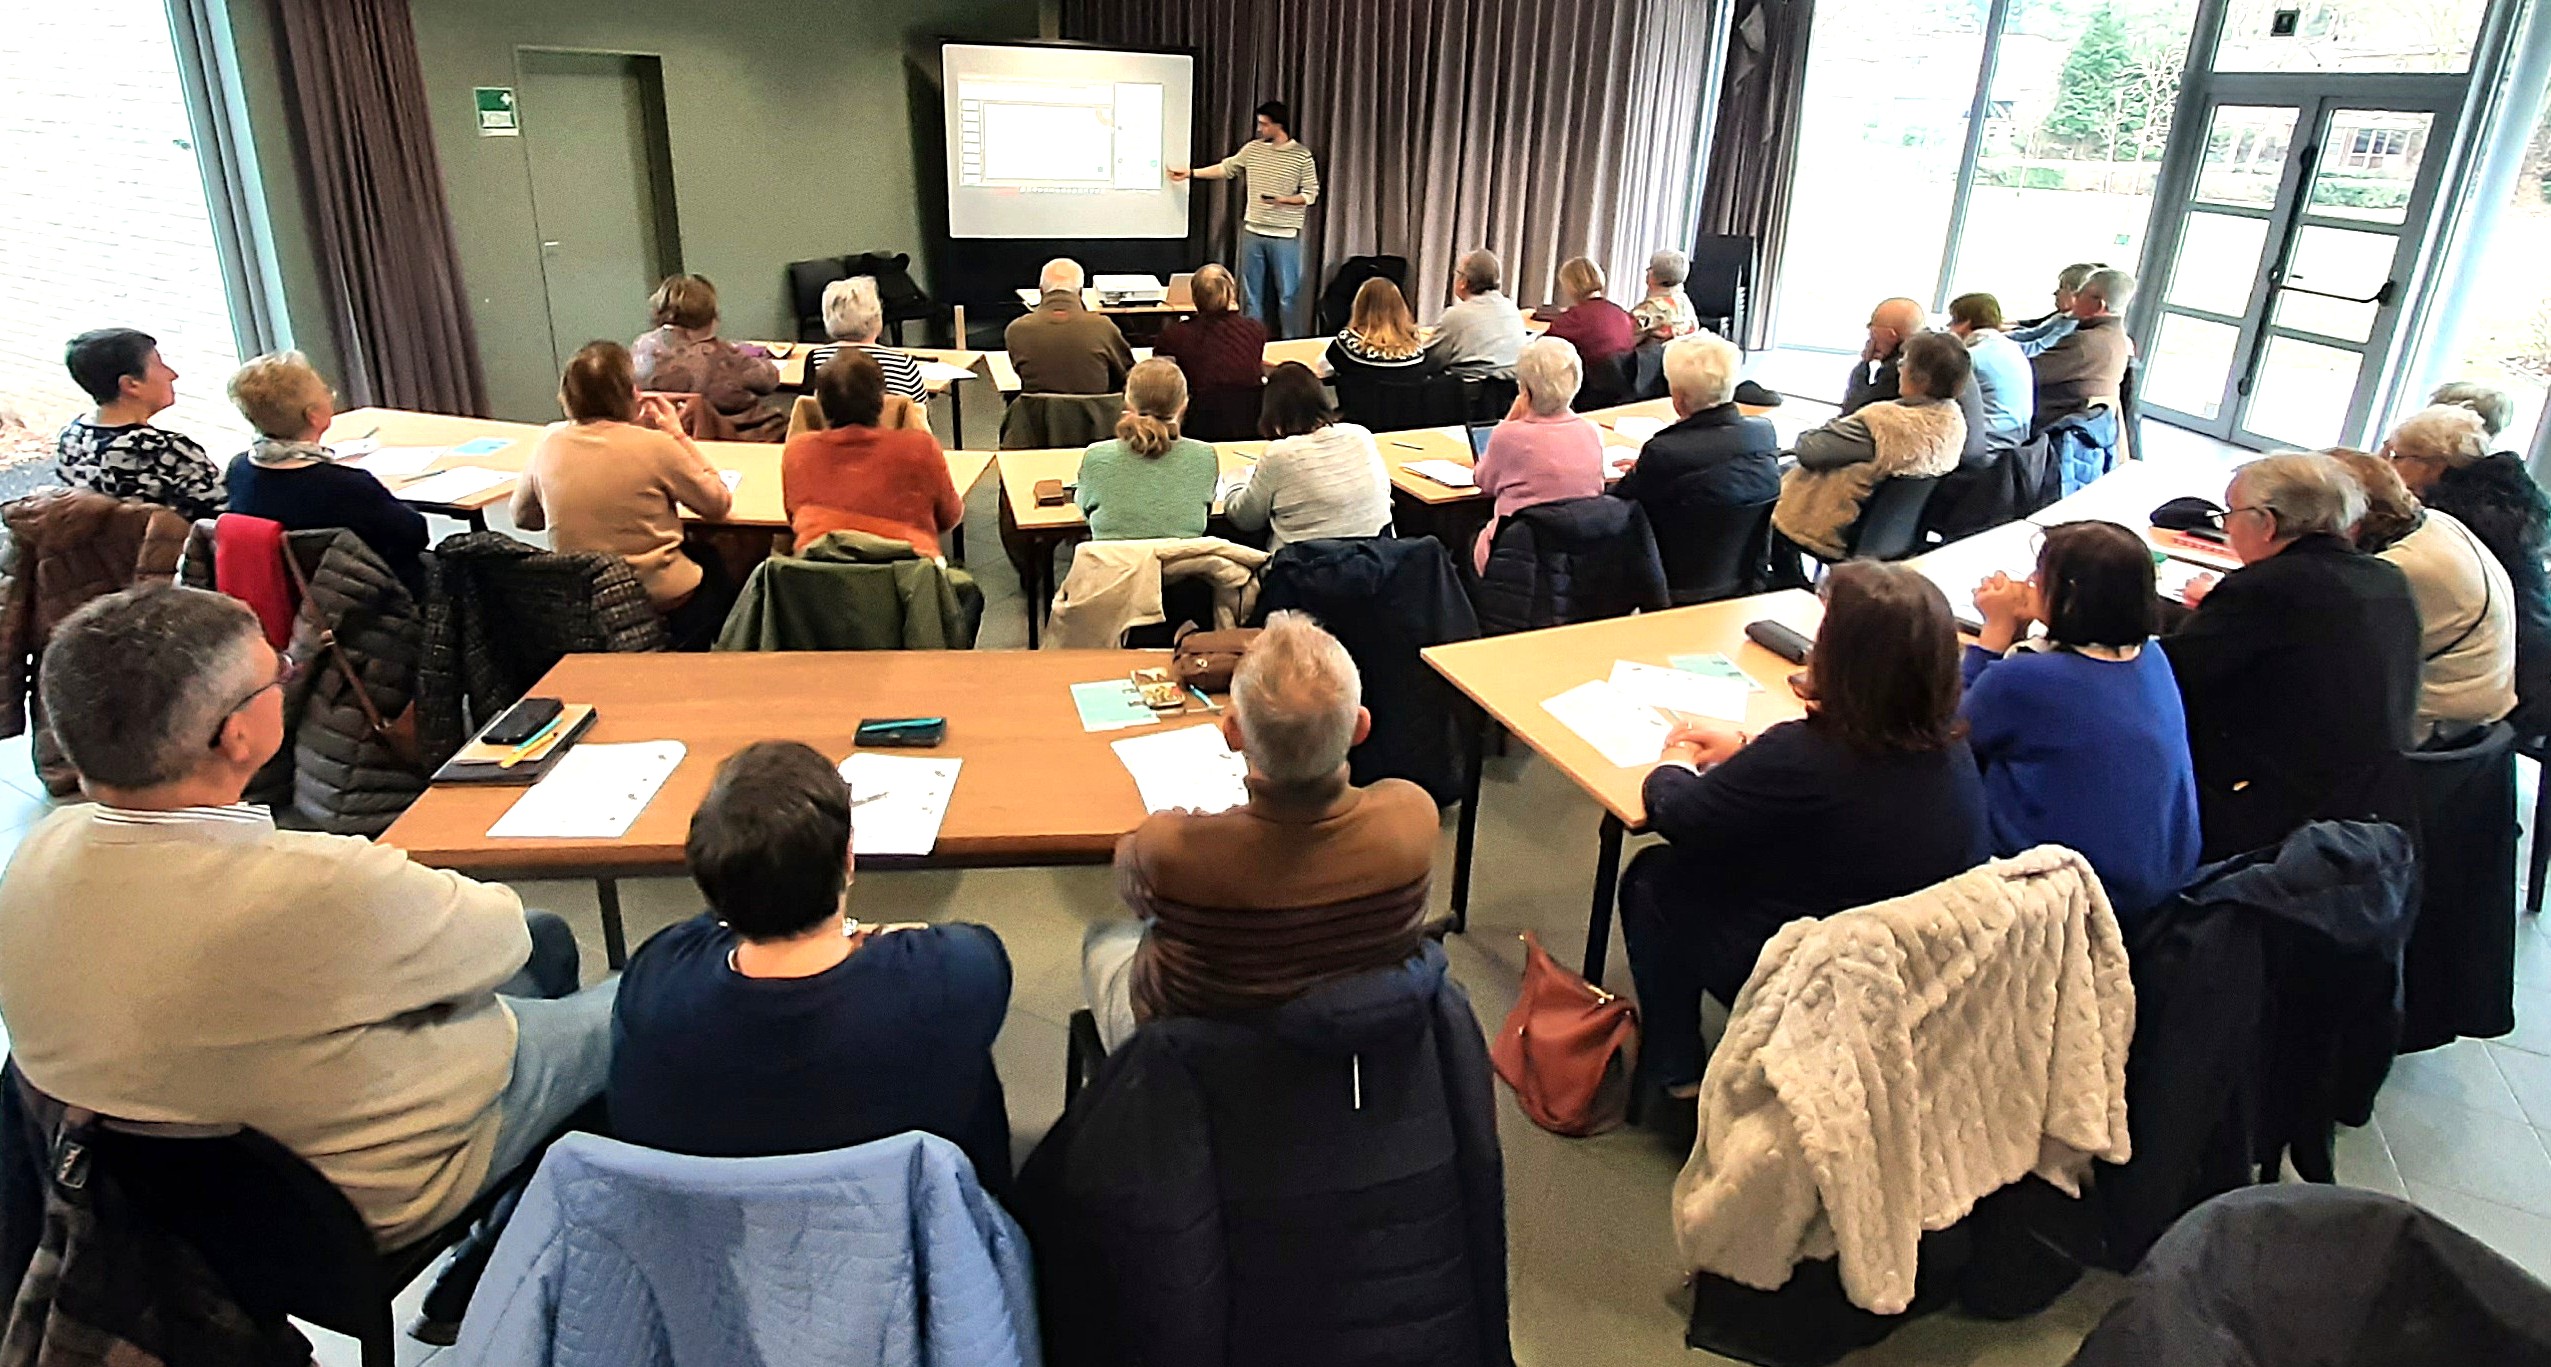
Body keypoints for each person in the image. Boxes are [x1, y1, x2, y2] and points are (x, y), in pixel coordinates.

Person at [0, 584, 611, 1307]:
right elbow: (498, 933)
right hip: (354, 1206)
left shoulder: (36, 856)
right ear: (235, 735)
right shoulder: (315, 886)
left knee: (547, 940)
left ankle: (510, 1226)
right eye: (278, 674)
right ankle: (537, 1251)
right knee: (648, 991)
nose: (288, 681)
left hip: (161, 1202)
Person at [1617, 561, 1988, 1097]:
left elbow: (1679, 814)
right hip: (1910, 970)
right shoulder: (1950, 747)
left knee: (1656, 878)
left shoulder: (1804, 757)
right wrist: (1748, 749)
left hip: (1817, 970)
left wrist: (1673, 760)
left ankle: (1677, 1069)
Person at [607, 741, 1012, 1185]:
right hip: (920, 1241)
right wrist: (865, 933)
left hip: (710, 1246)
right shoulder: (950, 977)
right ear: (848, 859)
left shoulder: (655, 981)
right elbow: (975, 947)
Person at [1079, 611, 1435, 1049]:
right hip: (1351, 1048)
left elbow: (1130, 877)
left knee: (1104, 939)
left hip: (1196, 1062)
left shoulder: (1171, 848)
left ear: (1232, 732)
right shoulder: (1412, 818)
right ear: (1360, 726)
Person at [2164, 454, 2421, 860]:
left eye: (2231, 513)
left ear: (2267, 523)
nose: (2226, 526)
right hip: (2369, 806)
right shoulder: (2386, 578)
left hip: (2274, 816)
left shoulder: (2270, 587)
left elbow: (2170, 676)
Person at [1963, 521, 2201, 919]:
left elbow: (1948, 730)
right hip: (2159, 883)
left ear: (2071, 596)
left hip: (2073, 897)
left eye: (2041, 576)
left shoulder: (2028, 679)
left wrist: (1996, 631)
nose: (2030, 582)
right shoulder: (2152, 658)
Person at [512, 341, 735, 644]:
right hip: (656, 595)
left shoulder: (549, 441)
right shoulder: (657, 446)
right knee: (719, 565)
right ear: (631, 392)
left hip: (585, 595)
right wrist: (677, 434)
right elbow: (717, 504)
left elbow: (523, 518)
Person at [2326, 447, 2514, 743]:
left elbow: (2329, 653)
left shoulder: (2396, 571)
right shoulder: (2436, 522)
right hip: (2472, 723)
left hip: (2428, 732)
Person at [2389, 399, 2551, 729]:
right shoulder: (2508, 496)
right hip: (2528, 646)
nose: (2389, 465)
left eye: (2398, 456)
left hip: (2502, 668)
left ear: (2433, 464)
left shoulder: (2450, 517)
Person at [220, 350, 429, 595]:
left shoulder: (239, 470)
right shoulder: (346, 487)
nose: (331, 397)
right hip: (368, 602)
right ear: (314, 416)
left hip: (286, 596)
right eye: (326, 392)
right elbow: (414, 535)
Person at [1773, 331, 1971, 562]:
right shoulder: (1953, 422)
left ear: (1921, 379)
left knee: (1763, 486)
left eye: (1904, 361)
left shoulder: (1883, 424)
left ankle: (1786, 584)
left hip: (1828, 528)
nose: (1899, 365)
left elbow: (1809, 450)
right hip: (1894, 537)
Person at [782, 349, 963, 558]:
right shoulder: (920, 448)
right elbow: (949, 516)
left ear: (819, 402)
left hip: (818, 581)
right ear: (881, 399)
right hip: (909, 580)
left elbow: (792, 517)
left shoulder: (798, 452)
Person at [1170, 101, 1321, 335]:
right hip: (1253, 231)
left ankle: (1292, 344)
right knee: (1251, 296)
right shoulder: (1253, 150)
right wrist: (1191, 173)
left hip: (1285, 235)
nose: (1260, 129)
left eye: (1264, 124)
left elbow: (1310, 194)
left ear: (1278, 125)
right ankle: (1250, 340)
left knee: (1288, 296)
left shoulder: (1301, 156)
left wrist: (1283, 200)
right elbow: (1226, 168)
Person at [53, 327, 225, 522]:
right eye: (160, 365)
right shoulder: (159, 450)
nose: (172, 374)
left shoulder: (70, 438)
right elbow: (228, 511)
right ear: (130, 384)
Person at [1471, 335, 1608, 572]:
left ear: (1524, 390)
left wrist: (1508, 421)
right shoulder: (1591, 431)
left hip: (1517, 551)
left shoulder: (1508, 436)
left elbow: (1483, 483)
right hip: (1579, 551)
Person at [1610, 331, 1780, 518]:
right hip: (1744, 546)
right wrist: (1646, 469)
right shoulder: (1763, 433)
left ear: (1678, 398)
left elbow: (1620, 497)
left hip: (1667, 544)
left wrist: (1640, 472)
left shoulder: (1664, 451)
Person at [1224, 361, 1391, 549]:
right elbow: (1385, 493)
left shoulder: (1280, 455)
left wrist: (1234, 482)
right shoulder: (1361, 435)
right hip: (1375, 561)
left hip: (1306, 569)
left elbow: (1245, 520)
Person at [1075, 357, 1219, 541]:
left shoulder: (1096, 457)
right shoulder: (1204, 457)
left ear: (1128, 402)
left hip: (1116, 567)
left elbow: (1086, 512)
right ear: (1184, 404)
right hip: (1180, 567)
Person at [631, 274, 785, 442]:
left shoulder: (640, 346)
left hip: (662, 439)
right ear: (711, 316)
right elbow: (769, 381)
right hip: (732, 439)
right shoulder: (722, 355)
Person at [1152, 263, 1268, 442]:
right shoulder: (1255, 330)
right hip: (1250, 423)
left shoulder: (1174, 336)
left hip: (1198, 426)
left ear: (1195, 296)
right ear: (1231, 293)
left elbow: (1162, 382)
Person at [1006, 257, 1136, 396]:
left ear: (1041, 291)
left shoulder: (1017, 330)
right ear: (1080, 292)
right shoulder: (1102, 327)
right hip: (1097, 416)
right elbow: (1127, 375)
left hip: (1038, 416)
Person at [2031, 266, 2136, 431]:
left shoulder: (2084, 343)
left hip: (2049, 426)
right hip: (2076, 424)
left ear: (2099, 305)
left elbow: (2026, 372)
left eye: (2080, 293)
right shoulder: (2116, 337)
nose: (2075, 297)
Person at [803, 276, 927, 404]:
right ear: (876, 316)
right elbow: (920, 418)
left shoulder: (816, 359)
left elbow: (807, 412)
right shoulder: (902, 364)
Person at [1945, 292, 2034, 449]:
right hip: (2016, 443)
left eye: (1952, 321)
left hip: (1989, 445)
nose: (1948, 327)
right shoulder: (2011, 347)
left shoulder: (1971, 358)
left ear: (1965, 323)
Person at [1424, 249, 1531, 379]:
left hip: (1467, 394)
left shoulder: (1456, 316)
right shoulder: (1511, 307)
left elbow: (1428, 362)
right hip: (1510, 392)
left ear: (1463, 282)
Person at [1326, 276, 1437, 384]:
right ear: (1400, 308)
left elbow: (1329, 362)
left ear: (1360, 306)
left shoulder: (1347, 346)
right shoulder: (1417, 355)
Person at [1537, 256, 1638, 370]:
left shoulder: (1575, 318)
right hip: (1623, 380)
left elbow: (1541, 347)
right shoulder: (1620, 312)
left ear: (1570, 285)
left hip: (1592, 381)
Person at [1842, 297, 1929, 415]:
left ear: (1891, 335)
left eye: (1873, 335)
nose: (1870, 342)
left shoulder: (1899, 368)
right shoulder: (1935, 353)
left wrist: (1863, 366)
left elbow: (1855, 412)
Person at [2009, 262, 2105, 356]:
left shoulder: (2071, 325)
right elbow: (2032, 334)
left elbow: (2036, 348)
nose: (2056, 292)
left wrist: (1999, 345)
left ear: (2076, 294)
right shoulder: (2063, 318)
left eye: (2061, 287)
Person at [1631, 248, 1700, 342]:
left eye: (1651, 268)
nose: (1647, 270)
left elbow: (1625, 334)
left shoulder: (1651, 308)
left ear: (1654, 275)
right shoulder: (1684, 302)